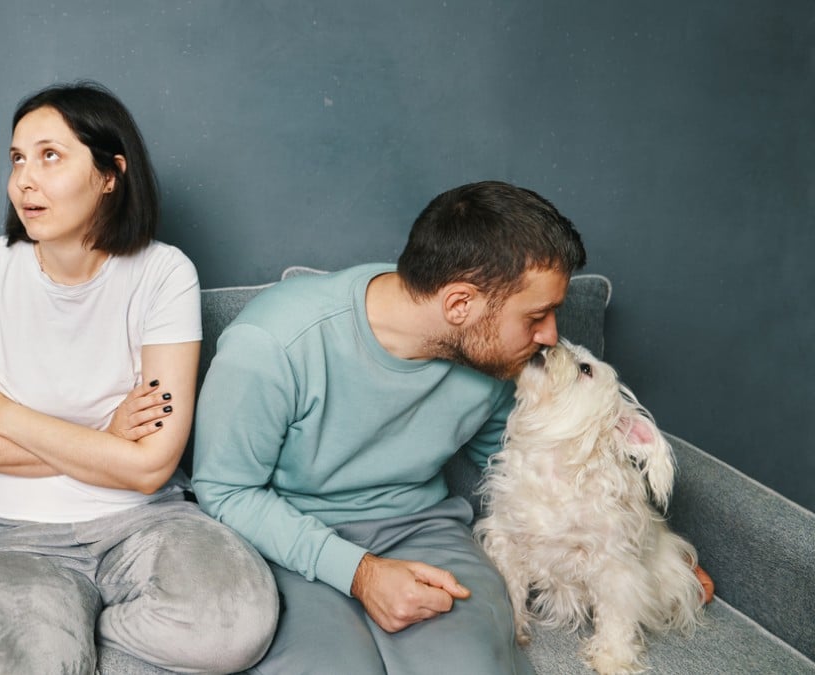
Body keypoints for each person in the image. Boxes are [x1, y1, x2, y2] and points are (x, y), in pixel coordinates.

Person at [0, 82, 277, 675]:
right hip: (19, 534)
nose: (25, 179)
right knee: (39, 665)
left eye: (50, 155)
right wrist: (109, 437)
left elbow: (149, 466)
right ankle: (59, 630)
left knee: (234, 631)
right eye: (17, 158)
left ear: (110, 174)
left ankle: (80, 628)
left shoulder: (164, 273)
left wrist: (3, 411)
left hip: (149, 520)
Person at [191, 181, 587, 674]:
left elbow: (520, 466)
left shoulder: (497, 360)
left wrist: (644, 558)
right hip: (286, 541)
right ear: (460, 304)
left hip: (423, 531)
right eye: (537, 316)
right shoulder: (275, 343)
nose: (550, 336)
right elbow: (225, 489)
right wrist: (359, 573)